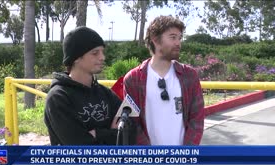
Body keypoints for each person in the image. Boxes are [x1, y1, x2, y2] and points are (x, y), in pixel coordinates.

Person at [123, 15, 204, 145]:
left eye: (179, 38)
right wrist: (150, 157)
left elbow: (197, 119)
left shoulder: (189, 76)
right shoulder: (133, 79)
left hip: (182, 160)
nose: (178, 43)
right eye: (172, 37)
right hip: (149, 161)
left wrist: (186, 154)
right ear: (155, 39)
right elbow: (133, 124)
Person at [44, 26, 123, 145]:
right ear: (76, 58)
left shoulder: (106, 93)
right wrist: (113, 133)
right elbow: (80, 149)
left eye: (102, 52)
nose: (102, 57)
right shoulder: (58, 98)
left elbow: (130, 132)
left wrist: (97, 134)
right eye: (95, 53)